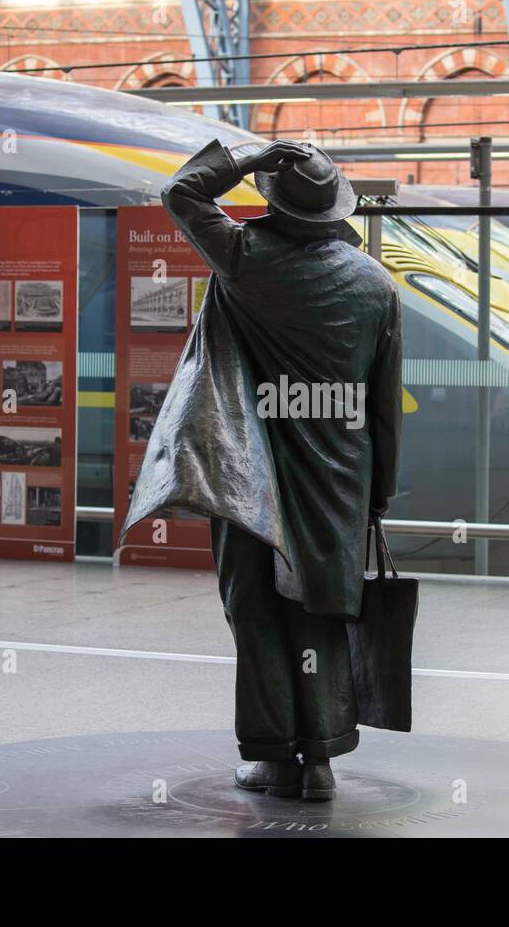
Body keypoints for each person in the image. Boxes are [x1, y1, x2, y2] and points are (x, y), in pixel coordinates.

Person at [120, 138, 403, 801]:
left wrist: (247, 157)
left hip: (246, 469)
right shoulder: (377, 285)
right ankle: (325, 758)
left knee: (255, 608)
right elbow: (384, 407)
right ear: (335, 213)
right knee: (323, 609)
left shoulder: (244, 258)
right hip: (340, 477)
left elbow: (182, 193)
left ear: (275, 204)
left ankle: (275, 757)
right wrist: (379, 492)